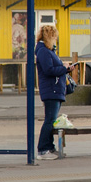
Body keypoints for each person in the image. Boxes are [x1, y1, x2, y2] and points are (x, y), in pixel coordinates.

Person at [34, 24, 73, 161]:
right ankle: (43, 150)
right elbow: (48, 70)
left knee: (51, 120)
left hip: (54, 89)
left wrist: (64, 68)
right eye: (54, 36)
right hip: (51, 89)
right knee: (49, 120)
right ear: (50, 36)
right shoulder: (44, 51)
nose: (56, 39)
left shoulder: (47, 50)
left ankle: (49, 147)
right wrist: (64, 69)